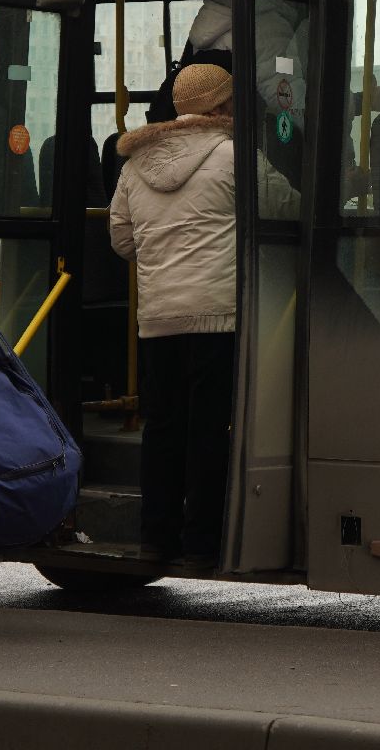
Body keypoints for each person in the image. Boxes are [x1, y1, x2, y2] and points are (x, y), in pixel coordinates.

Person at [106, 64, 252, 567]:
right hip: (218, 316)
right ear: (221, 107)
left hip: (158, 318)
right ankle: (202, 543)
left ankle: (156, 538)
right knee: (210, 429)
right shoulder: (237, 156)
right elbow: (285, 209)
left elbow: (122, 240)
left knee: (162, 428)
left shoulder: (133, 165)